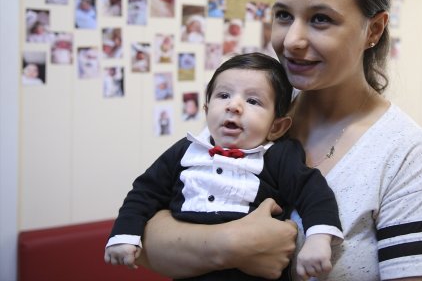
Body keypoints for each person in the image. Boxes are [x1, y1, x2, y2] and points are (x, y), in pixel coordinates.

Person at [138, 0, 422, 280]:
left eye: (321, 19)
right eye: (283, 15)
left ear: (374, 29)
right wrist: (232, 245)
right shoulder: (255, 115)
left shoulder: (406, 154)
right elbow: (145, 244)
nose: (292, 40)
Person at [106, 53, 343, 280]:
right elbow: (145, 192)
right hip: (192, 266)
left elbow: (313, 192)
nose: (234, 106)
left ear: (277, 127)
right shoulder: (185, 151)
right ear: (207, 110)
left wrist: (318, 239)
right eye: (223, 96)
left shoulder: (279, 156)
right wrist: (125, 235)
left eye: (252, 101)